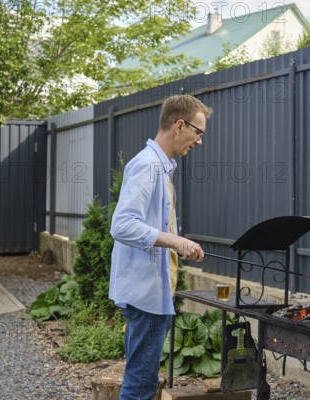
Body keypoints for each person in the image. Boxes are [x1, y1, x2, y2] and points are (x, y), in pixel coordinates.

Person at [109, 95, 212, 400]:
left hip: (154, 295)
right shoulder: (147, 166)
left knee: (144, 380)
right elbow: (122, 224)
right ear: (179, 125)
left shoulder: (162, 167)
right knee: (140, 385)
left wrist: (176, 247)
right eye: (198, 131)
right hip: (145, 297)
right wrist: (177, 241)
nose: (199, 141)